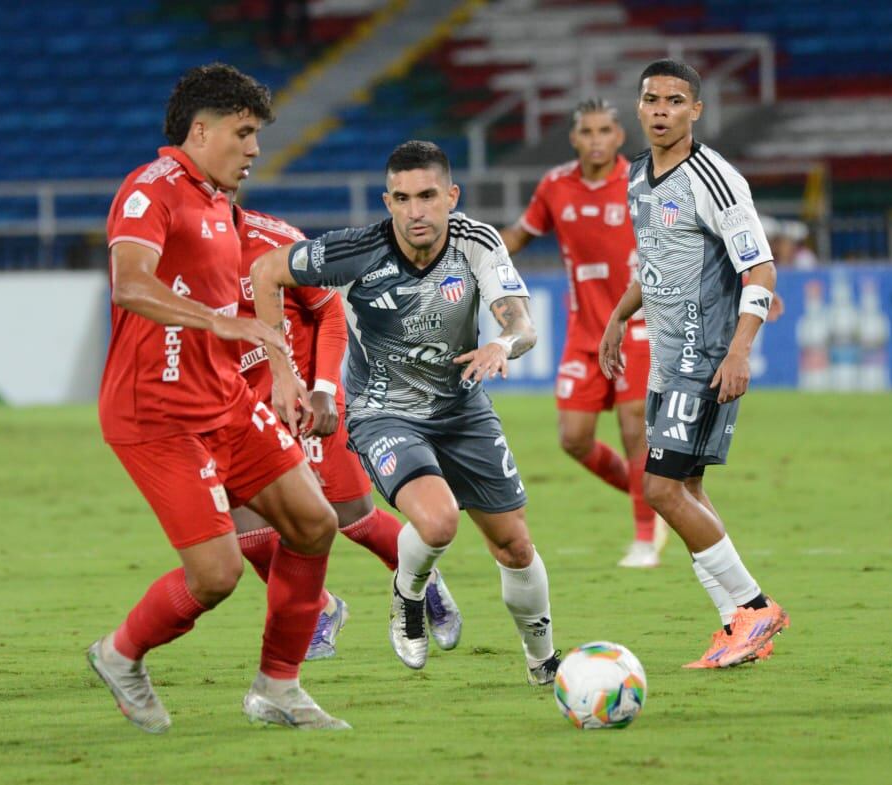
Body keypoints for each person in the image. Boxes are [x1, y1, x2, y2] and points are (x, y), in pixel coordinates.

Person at [86, 63, 349, 732]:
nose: (254, 149)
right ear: (201, 132)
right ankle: (120, 653)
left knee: (314, 522)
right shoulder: (150, 190)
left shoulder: (220, 204)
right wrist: (219, 322)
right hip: (157, 416)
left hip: (226, 402)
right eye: (244, 133)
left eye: (257, 134)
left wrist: (283, 369)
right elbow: (130, 284)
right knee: (216, 575)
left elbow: (258, 294)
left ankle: (278, 686)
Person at [251, 140, 561, 685]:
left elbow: (522, 326)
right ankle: (408, 592)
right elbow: (265, 271)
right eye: (402, 198)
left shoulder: (477, 243)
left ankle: (544, 663)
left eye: (427, 196)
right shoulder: (357, 251)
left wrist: (502, 344)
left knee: (515, 545)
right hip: (384, 412)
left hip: (462, 408)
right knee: (438, 521)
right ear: (387, 201)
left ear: (451, 196)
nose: (416, 211)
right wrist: (282, 369)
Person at [599, 60, 789, 669]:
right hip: (664, 356)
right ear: (638, 107)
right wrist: (618, 316)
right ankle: (738, 626)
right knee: (685, 488)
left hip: (703, 355)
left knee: (660, 487)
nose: (661, 111)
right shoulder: (636, 176)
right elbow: (655, 259)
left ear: (696, 111)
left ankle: (755, 607)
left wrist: (739, 351)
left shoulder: (715, 178)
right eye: (651, 99)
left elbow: (760, 269)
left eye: (675, 101)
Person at [229, 200, 463, 659]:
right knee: (249, 534)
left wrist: (322, 389)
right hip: (241, 408)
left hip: (305, 398)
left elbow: (330, 313)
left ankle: (423, 580)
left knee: (353, 518)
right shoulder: (180, 257)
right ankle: (321, 608)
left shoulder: (274, 240)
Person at [500, 98, 667, 568]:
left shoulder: (642, 182)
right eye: (587, 132)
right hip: (584, 333)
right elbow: (519, 236)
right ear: (574, 138)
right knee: (574, 439)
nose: (596, 140)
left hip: (637, 325)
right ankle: (656, 498)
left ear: (619, 136)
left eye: (604, 131)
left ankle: (645, 538)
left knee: (635, 428)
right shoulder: (556, 186)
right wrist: (474, 254)